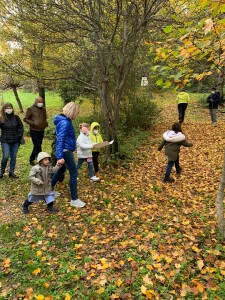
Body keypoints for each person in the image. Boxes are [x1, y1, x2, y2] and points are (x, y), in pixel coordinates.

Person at [51, 102, 86, 208]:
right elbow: (60, 140)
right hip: (66, 152)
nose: (77, 114)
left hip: (65, 151)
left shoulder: (64, 121)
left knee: (60, 171)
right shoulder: (65, 123)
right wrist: (60, 156)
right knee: (74, 173)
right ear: (73, 112)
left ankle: (48, 191)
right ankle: (74, 199)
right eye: (77, 112)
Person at [0, 102, 24, 178]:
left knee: (13, 157)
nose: (9, 109)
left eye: (10, 108)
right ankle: (2, 171)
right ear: (4, 109)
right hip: (5, 140)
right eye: (7, 108)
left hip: (15, 141)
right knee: (5, 156)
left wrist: (19, 135)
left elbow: (21, 127)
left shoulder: (16, 117)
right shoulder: (1, 118)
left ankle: (11, 172)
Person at [23, 96, 48, 165]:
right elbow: (25, 119)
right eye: (39, 102)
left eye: (42, 102)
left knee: (37, 145)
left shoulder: (43, 109)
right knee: (38, 146)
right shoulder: (31, 109)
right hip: (34, 130)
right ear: (36, 101)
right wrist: (33, 123)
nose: (41, 103)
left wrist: (45, 123)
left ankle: (31, 159)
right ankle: (40, 161)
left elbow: (45, 117)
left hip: (41, 130)